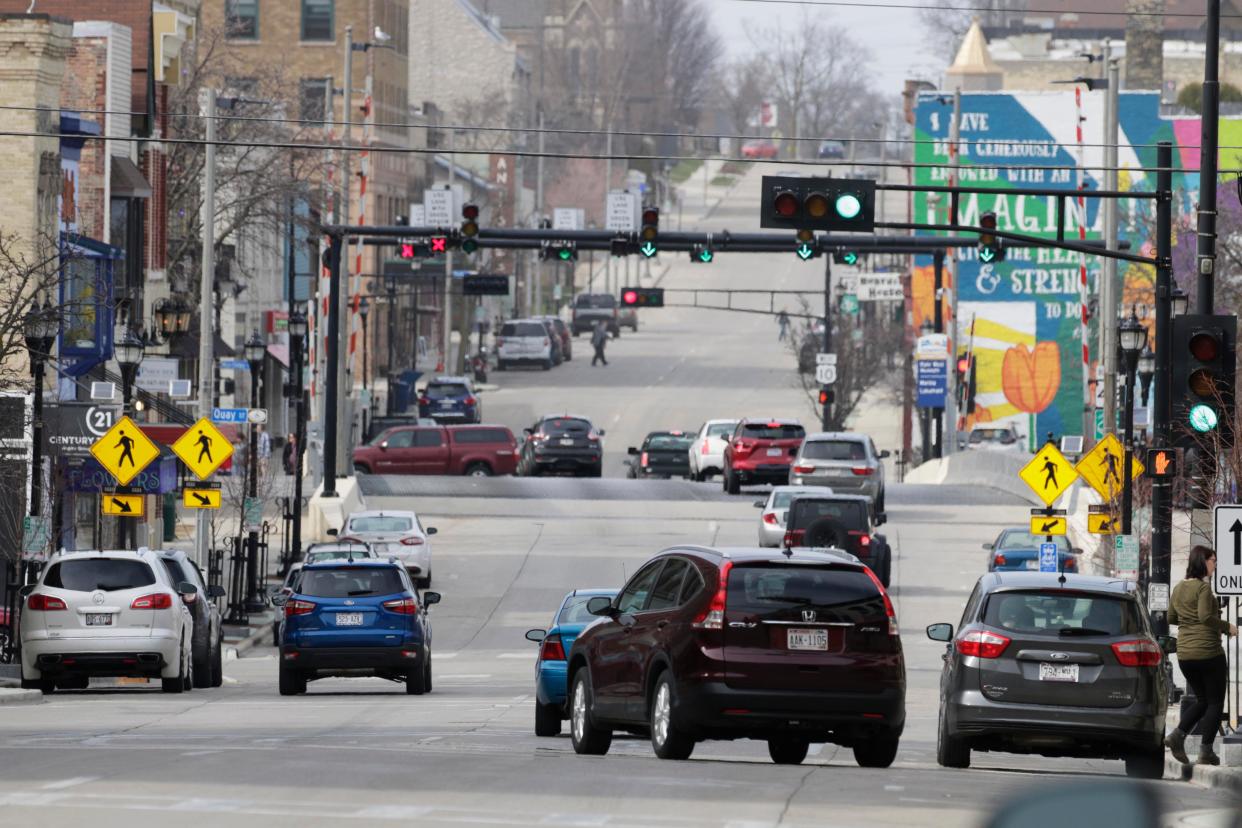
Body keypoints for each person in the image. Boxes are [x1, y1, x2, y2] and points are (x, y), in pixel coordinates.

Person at [1165, 545, 1238, 766]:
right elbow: (1206, 616)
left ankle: (1177, 736)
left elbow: (1171, 618)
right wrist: (1228, 626)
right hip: (1208, 651)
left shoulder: (1179, 588)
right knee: (1216, 702)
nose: (1215, 565)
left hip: (1185, 654)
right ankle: (1206, 751)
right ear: (1202, 562)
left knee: (1203, 700)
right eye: (1212, 560)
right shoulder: (1203, 589)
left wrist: (1190, 621)